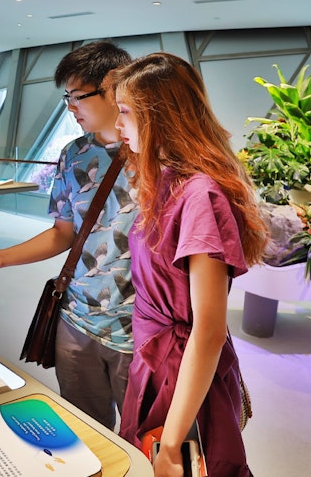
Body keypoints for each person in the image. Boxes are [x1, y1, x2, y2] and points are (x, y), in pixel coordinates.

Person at [105, 52, 268, 476]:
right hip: (153, 358)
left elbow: (209, 332)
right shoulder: (165, 181)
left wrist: (173, 443)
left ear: (161, 116)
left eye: (125, 112)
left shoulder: (198, 195)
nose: (118, 124)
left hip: (181, 369)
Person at [0, 40, 136, 430]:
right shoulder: (74, 154)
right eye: (67, 97)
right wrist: (2, 257)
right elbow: (63, 233)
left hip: (139, 331)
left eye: (78, 96)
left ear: (112, 86)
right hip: (76, 319)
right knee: (87, 432)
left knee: (145, 440)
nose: (71, 107)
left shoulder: (158, 156)